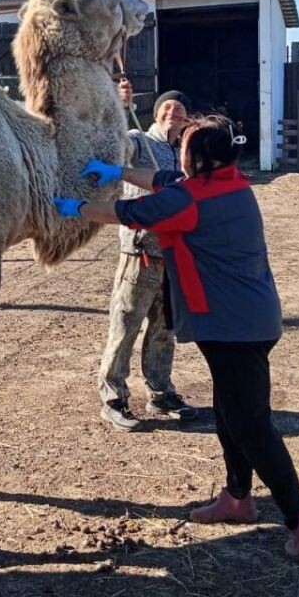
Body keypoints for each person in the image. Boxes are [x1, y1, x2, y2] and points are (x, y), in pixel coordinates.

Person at [53, 114, 299, 561]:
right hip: (247, 318)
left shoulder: (190, 199)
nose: (177, 152)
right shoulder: (229, 181)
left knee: (252, 426)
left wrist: (75, 207)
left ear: (199, 158)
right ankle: (237, 498)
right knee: (230, 411)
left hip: (233, 328)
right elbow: (163, 180)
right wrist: (118, 172)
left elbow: (127, 213)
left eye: (184, 146)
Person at [98, 86, 198, 431]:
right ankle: (113, 397)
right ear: (156, 113)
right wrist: (118, 106)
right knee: (125, 325)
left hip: (174, 254)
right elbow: (111, 147)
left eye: (179, 109)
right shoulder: (138, 141)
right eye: (166, 107)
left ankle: (160, 392)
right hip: (140, 252)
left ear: (187, 118)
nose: (172, 112)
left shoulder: (186, 152)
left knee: (164, 329)